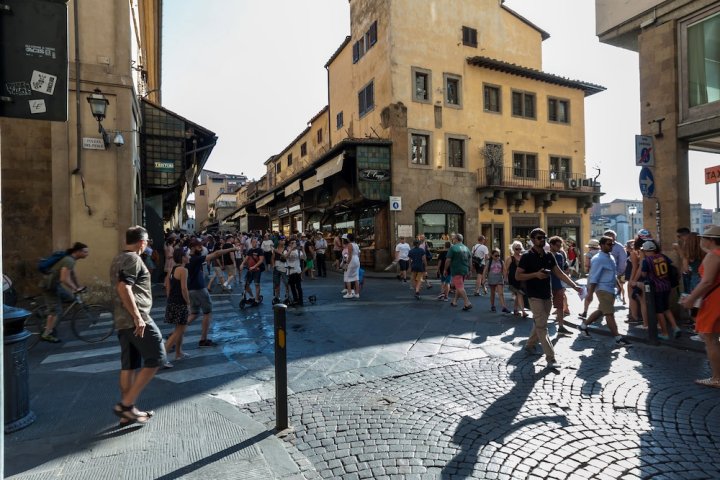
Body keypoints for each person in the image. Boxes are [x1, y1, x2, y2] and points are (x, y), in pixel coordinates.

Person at [110, 226, 165, 425]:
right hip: (135, 319)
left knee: (130, 365)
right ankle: (126, 405)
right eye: (147, 241)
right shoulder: (133, 259)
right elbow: (123, 287)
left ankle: (127, 413)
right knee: (158, 357)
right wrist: (138, 317)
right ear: (142, 242)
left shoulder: (118, 258)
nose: (147, 245)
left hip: (121, 320)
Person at [516, 228, 582, 369]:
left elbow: (559, 273)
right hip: (534, 296)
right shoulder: (526, 256)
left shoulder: (549, 256)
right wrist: (535, 274)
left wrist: (575, 286)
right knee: (542, 326)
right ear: (532, 240)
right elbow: (518, 276)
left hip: (547, 295)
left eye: (544, 237)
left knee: (541, 322)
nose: (542, 240)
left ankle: (529, 345)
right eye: (539, 238)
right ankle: (550, 358)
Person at [679, 225, 720, 388]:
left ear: (710, 240)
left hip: (714, 300)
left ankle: (717, 377)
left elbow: (707, 282)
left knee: (709, 338)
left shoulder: (713, 255)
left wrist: (691, 299)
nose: (701, 240)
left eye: (703, 238)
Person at [577, 236, 631, 346]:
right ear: (601, 245)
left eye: (612, 244)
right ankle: (618, 338)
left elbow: (612, 273)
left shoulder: (609, 256)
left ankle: (583, 326)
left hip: (610, 289)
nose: (611, 246)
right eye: (609, 244)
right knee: (609, 314)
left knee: (602, 311)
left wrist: (618, 286)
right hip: (603, 290)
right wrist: (590, 294)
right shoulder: (598, 259)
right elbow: (594, 277)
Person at [187, 238, 239, 347]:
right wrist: (231, 249)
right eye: (198, 246)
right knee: (207, 312)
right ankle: (203, 339)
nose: (201, 248)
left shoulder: (188, 258)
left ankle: (176, 332)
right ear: (192, 247)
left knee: (194, 313)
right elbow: (216, 253)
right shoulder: (195, 258)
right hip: (199, 289)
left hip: (191, 289)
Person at [41, 242, 90, 343]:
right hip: (50, 286)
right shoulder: (68, 260)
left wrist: (77, 286)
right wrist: (75, 288)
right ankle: (47, 333)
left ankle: (48, 313)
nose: (87, 254)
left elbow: (72, 275)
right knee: (56, 311)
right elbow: (64, 279)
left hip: (55, 285)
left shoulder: (71, 260)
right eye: (85, 252)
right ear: (78, 252)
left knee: (70, 298)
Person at [640, 240, 681, 339]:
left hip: (656, 288)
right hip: (667, 286)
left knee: (659, 311)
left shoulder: (646, 261)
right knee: (666, 308)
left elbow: (643, 275)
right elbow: (672, 266)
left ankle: (665, 333)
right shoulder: (663, 256)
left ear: (645, 251)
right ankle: (675, 327)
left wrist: (642, 261)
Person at [163, 247, 191, 367]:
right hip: (180, 303)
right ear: (183, 258)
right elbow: (184, 289)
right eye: (187, 255)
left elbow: (167, 285)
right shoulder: (183, 270)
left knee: (181, 329)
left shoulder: (172, 269)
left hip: (173, 302)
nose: (189, 257)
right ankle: (161, 357)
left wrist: (170, 299)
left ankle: (178, 353)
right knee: (178, 331)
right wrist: (188, 303)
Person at [548, 236, 571, 334]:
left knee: (560, 306)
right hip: (547, 285)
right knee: (546, 308)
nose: (559, 247)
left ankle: (561, 327)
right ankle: (540, 328)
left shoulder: (560, 256)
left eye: (560, 245)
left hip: (558, 284)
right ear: (551, 245)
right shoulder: (546, 256)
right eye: (557, 245)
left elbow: (561, 271)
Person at [444, 233, 472, 311]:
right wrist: (470, 270)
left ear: (456, 239)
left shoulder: (453, 248)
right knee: (459, 286)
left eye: (454, 238)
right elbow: (470, 259)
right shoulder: (466, 248)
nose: (453, 240)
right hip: (465, 269)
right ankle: (454, 301)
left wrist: (445, 269)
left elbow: (448, 260)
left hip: (456, 270)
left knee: (459, 287)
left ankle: (467, 302)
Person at [239, 237, 265, 306]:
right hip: (250, 270)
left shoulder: (260, 250)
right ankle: (252, 297)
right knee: (246, 285)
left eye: (256, 242)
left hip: (257, 270)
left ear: (257, 242)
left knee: (257, 284)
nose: (255, 243)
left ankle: (256, 299)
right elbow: (246, 258)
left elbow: (261, 260)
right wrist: (242, 264)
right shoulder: (250, 250)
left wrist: (254, 266)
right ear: (251, 243)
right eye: (253, 242)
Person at [604, 229, 628, 304]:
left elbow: (623, 261)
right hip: (605, 272)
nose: (612, 240)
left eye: (613, 238)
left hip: (616, 272)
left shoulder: (619, 247)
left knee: (619, 286)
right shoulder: (601, 246)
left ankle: (620, 299)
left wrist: (619, 272)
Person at [579, 239, 601, 319]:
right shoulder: (601, 253)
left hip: (592, 276)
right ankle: (600, 311)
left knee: (589, 294)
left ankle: (585, 312)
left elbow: (587, 265)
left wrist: (587, 268)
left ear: (590, 247)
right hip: (601, 276)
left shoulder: (589, 254)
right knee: (600, 295)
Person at [504, 241, 527, 317]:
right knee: (519, 293)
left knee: (518, 294)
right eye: (517, 249)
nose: (519, 250)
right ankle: (523, 311)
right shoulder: (510, 258)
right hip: (513, 278)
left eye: (520, 248)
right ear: (513, 249)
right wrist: (505, 279)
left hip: (522, 278)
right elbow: (506, 269)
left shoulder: (523, 257)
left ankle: (515, 309)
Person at [484, 248, 509, 313]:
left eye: (498, 255)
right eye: (496, 255)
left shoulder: (501, 262)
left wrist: (505, 278)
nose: (497, 257)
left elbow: (504, 270)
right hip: (491, 279)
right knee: (493, 293)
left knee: (501, 293)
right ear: (492, 255)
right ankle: (492, 305)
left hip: (499, 279)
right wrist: (483, 279)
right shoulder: (489, 262)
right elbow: (485, 271)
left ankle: (504, 307)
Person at [286, 238, 305, 306]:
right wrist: (291, 249)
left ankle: (301, 300)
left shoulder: (298, 251)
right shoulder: (287, 250)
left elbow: (304, 258)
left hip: (297, 271)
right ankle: (295, 299)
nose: (294, 244)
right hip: (290, 271)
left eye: (295, 242)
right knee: (292, 287)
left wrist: (303, 249)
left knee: (298, 287)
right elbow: (285, 257)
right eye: (292, 242)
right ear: (289, 244)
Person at [342, 233, 361, 299]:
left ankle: (349, 293)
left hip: (352, 260)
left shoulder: (350, 245)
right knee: (356, 278)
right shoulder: (356, 245)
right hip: (357, 260)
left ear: (348, 238)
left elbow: (349, 255)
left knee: (348, 277)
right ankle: (357, 293)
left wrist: (347, 264)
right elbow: (359, 254)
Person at [272, 237, 290, 304]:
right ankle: (277, 297)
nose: (283, 241)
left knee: (286, 283)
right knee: (276, 283)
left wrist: (278, 252)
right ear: (279, 241)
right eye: (282, 240)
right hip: (277, 267)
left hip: (284, 268)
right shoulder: (276, 249)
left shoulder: (287, 248)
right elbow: (273, 258)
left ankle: (287, 296)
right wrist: (273, 264)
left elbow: (285, 257)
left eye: (284, 240)